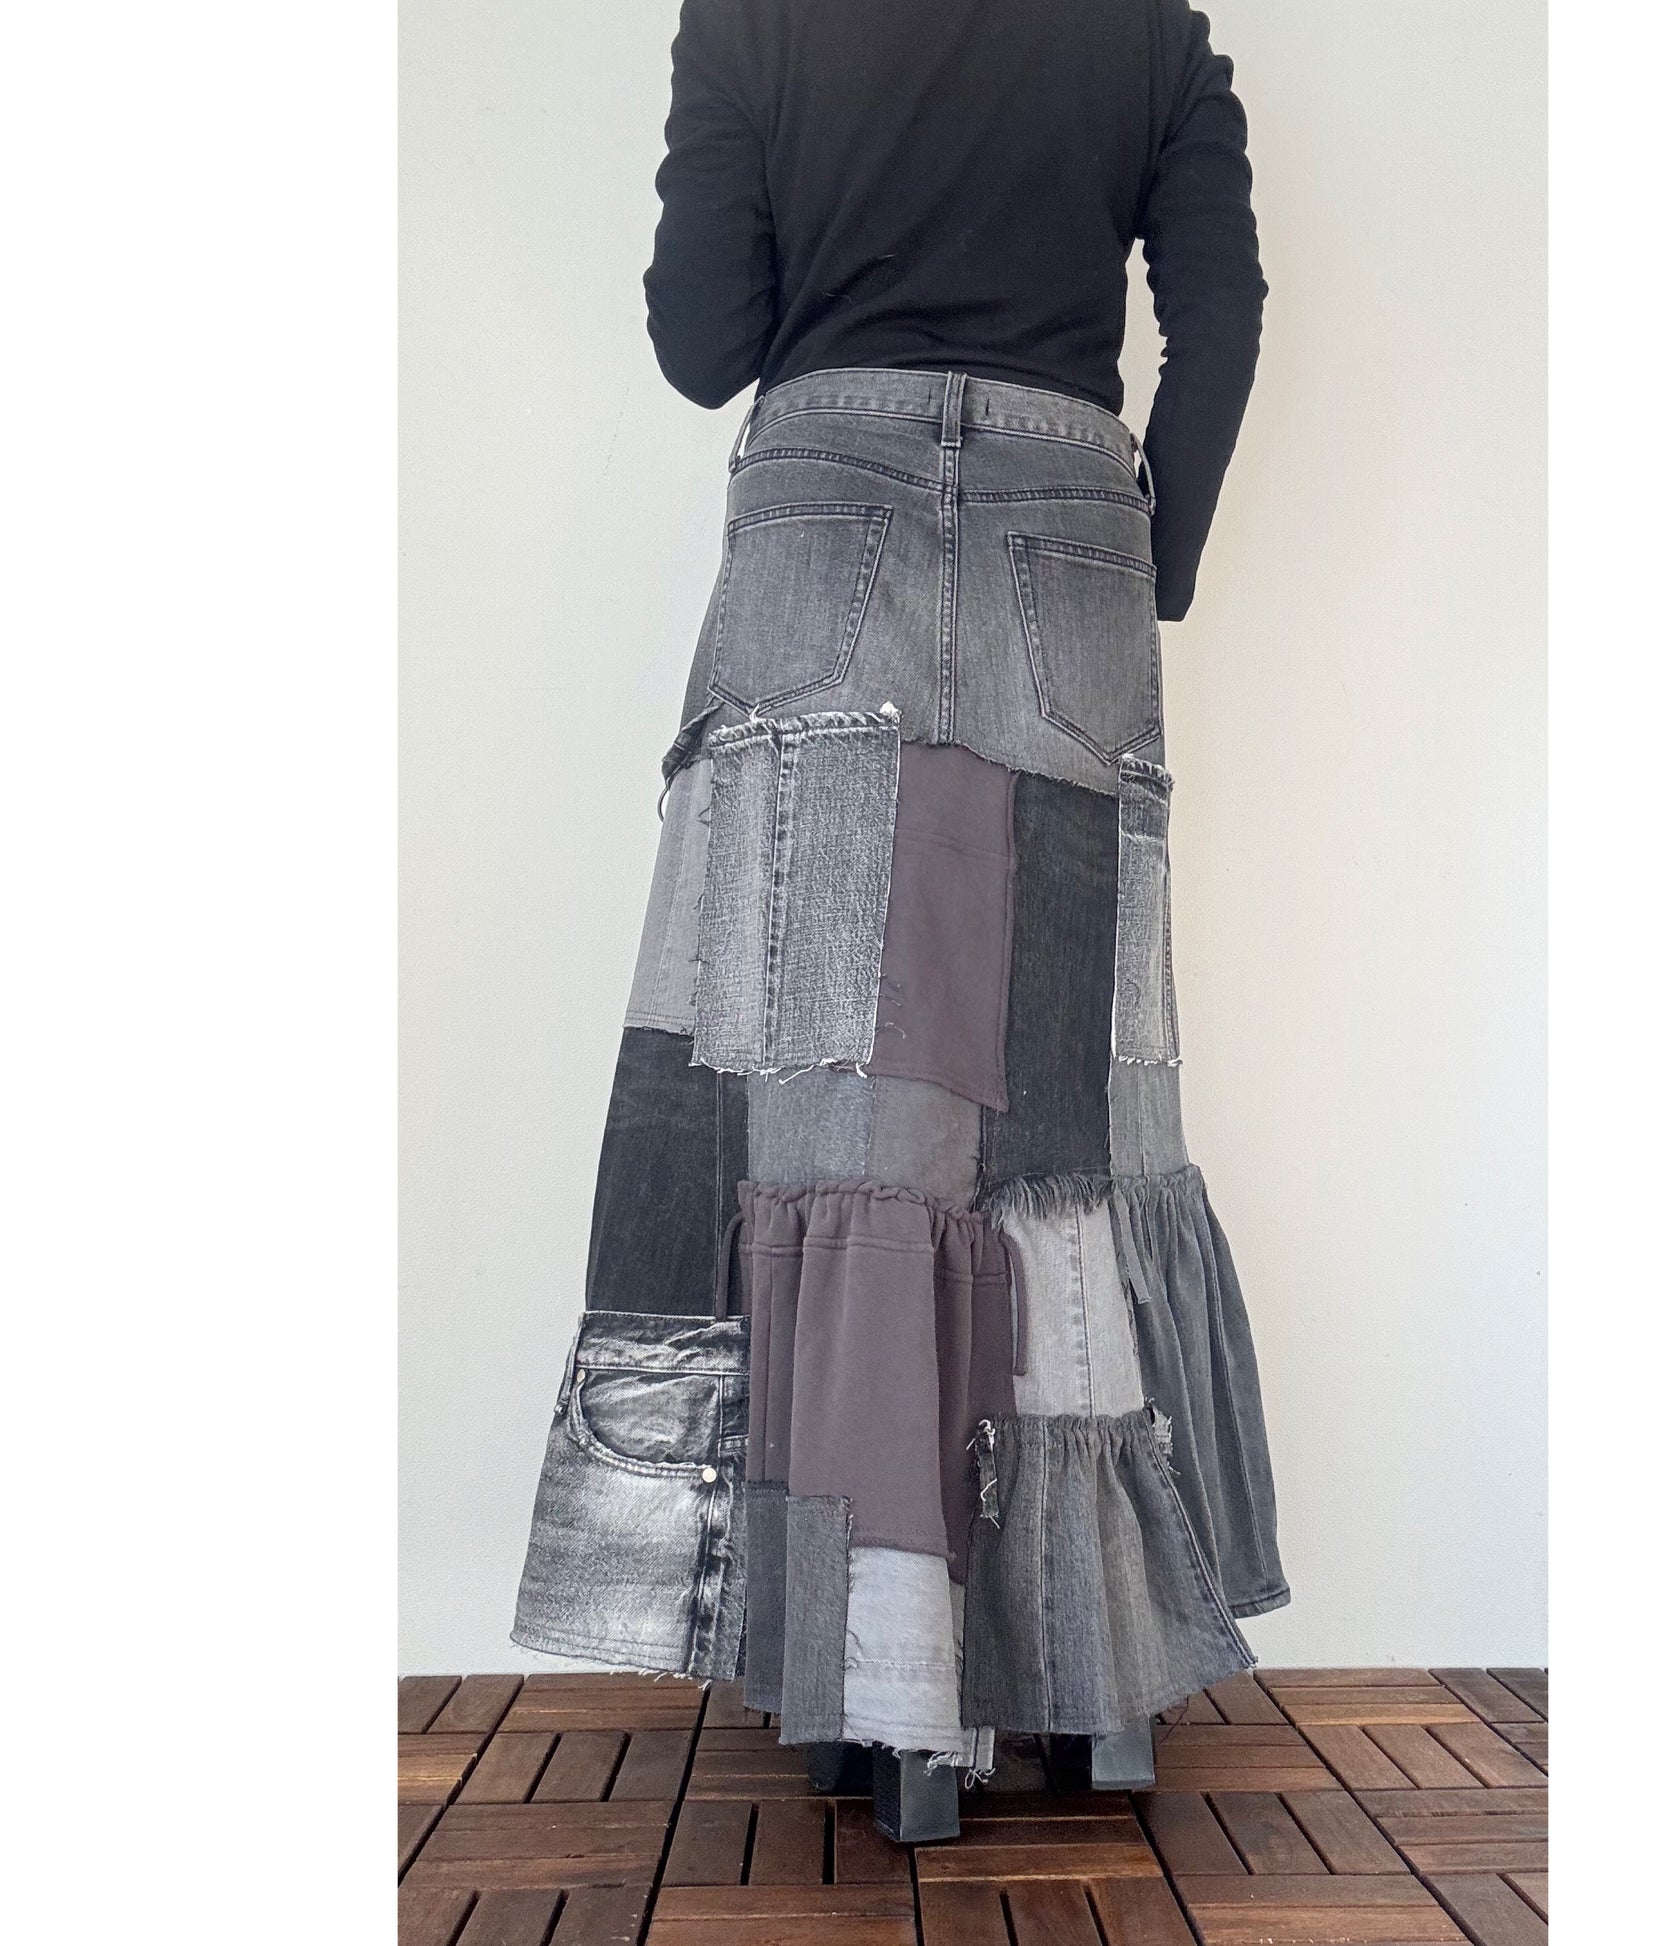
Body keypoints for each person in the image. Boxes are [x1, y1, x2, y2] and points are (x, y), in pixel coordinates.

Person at [514, 0, 1288, 1792]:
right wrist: (1153, 554)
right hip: (1069, 531)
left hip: (821, 516)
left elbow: (702, 343)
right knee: (1070, 1103)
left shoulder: (754, 13)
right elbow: (1223, 311)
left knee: (827, 1106)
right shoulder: (1152, 32)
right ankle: (1092, 1679)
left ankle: (890, 1691)